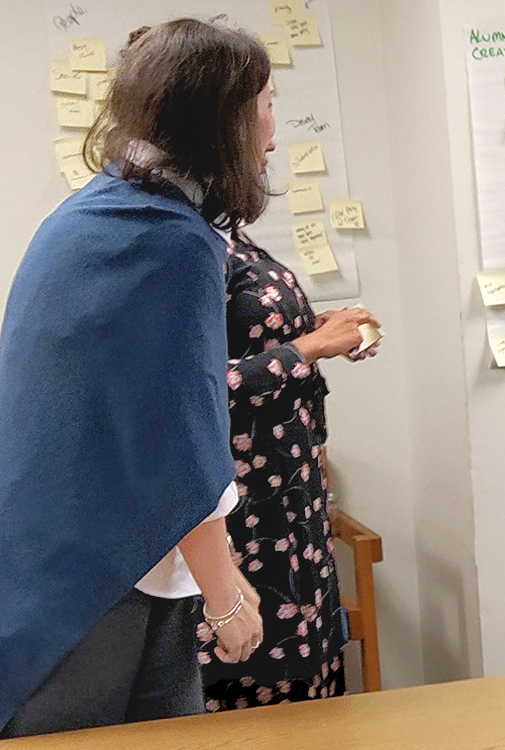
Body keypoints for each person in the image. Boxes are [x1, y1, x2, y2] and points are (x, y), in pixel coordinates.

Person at [0, 19, 270, 736]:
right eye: (266, 106)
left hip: (81, 558)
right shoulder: (167, 241)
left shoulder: (101, 213)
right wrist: (224, 595)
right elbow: (172, 435)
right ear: (225, 119)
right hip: (91, 581)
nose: (274, 132)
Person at [200, 230, 381, 708]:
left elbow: (245, 339)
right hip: (241, 512)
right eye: (260, 146)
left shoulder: (230, 235)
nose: (272, 149)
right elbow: (186, 389)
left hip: (295, 509)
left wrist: (322, 331)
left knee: (311, 689)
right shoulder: (182, 244)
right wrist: (308, 349)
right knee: (250, 682)